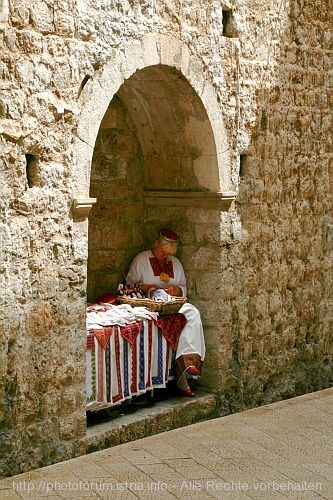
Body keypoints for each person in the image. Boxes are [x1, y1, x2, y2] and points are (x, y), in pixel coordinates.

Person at [126, 228, 206, 397]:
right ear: (155, 245)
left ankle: (188, 362)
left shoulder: (175, 263)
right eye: (162, 252)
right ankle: (151, 385)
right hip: (148, 305)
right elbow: (128, 287)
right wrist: (145, 288)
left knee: (192, 312)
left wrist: (178, 290)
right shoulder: (141, 260)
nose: (165, 256)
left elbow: (183, 287)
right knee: (146, 322)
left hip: (171, 305)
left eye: (168, 254)